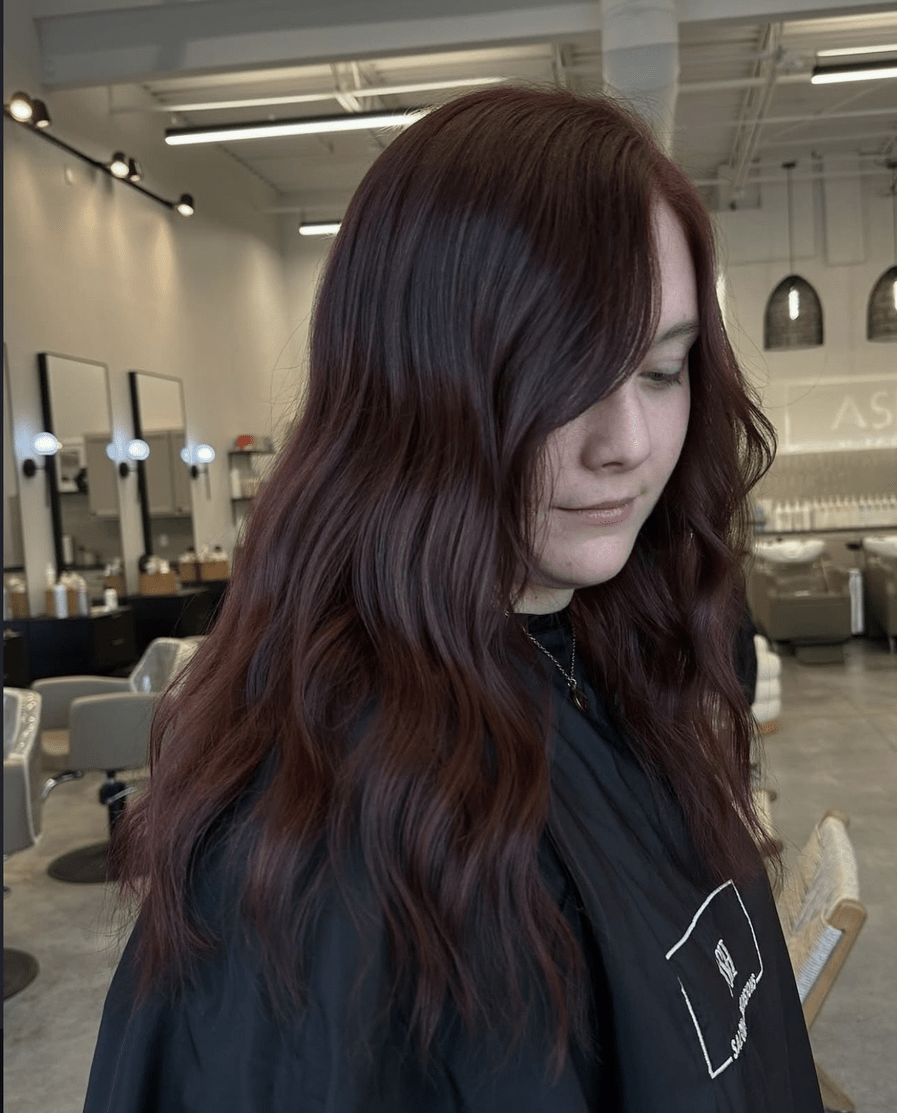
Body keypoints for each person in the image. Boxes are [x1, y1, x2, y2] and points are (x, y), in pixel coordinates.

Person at [83, 87, 823, 1112]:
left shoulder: (598, 644)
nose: (627, 445)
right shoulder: (329, 851)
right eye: (562, 376)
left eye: (662, 369)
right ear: (410, 391)